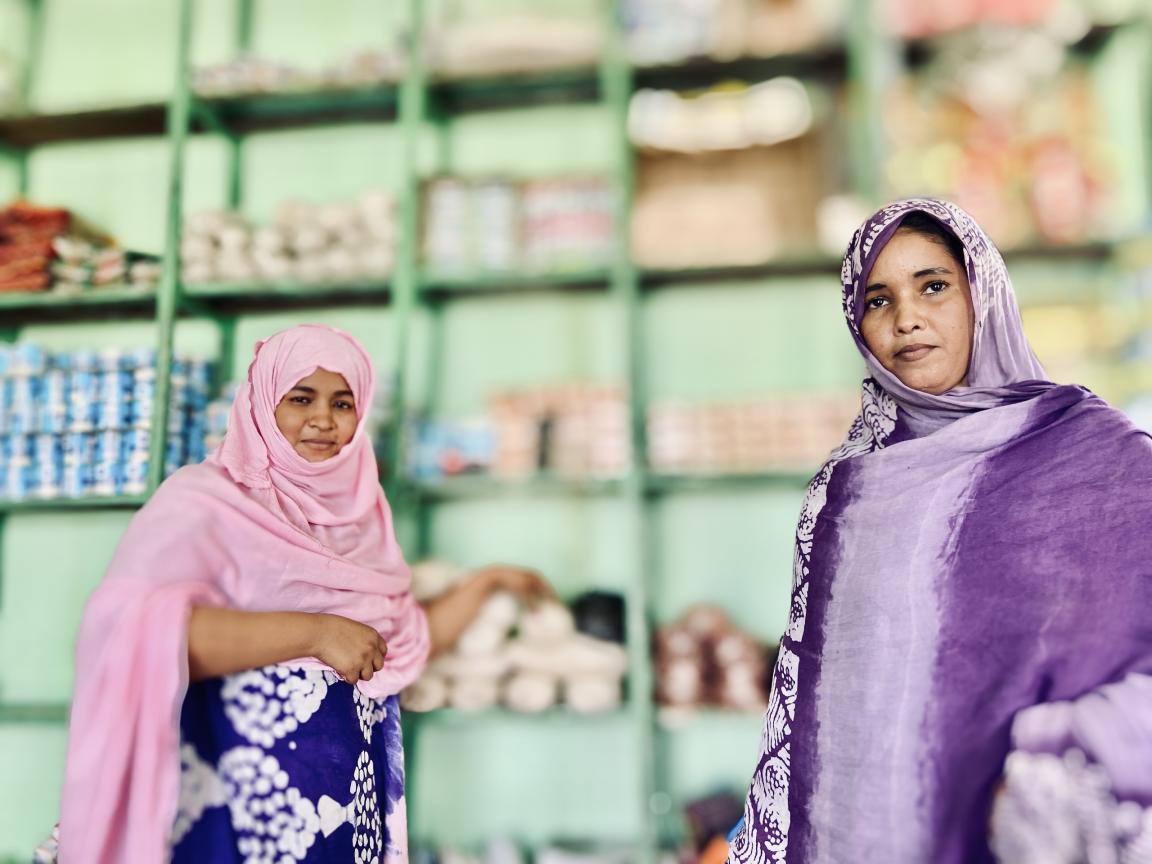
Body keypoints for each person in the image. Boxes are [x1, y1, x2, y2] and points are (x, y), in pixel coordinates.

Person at [728, 199, 1152, 863]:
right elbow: (822, 712)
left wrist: (1060, 751)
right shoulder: (845, 495)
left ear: (980, 292)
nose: (907, 319)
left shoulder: (1101, 460)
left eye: (933, 286)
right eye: (877, 299)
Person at [54, 324, 550, 863]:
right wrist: (314, 634)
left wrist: (487, 581)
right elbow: (134, 629)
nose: (323, 419)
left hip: (339, 814)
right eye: (300, 399)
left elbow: (400, 642)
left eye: (343, 403)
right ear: (263, 403)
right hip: (234, 812)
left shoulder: (360, 525)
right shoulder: (204, 503)